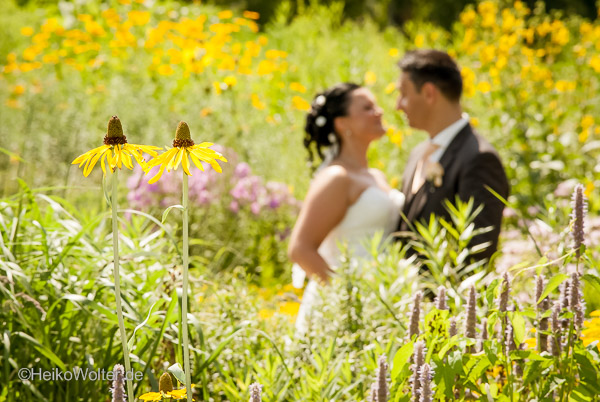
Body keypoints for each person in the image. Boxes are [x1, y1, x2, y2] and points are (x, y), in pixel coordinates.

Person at [287, 83, 404, 334]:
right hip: (341, 307)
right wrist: (347, 301)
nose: (379, 112)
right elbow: (300, 249)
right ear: (342, 124)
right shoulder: (336, 178)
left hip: (382, 299)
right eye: (367, 108)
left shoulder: (376, 176)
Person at [395, 49, 509, 262]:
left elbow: (477, 253)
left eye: (403, 94)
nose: (398, 105)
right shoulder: (418, 154)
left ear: (429, 93)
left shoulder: (480, 159)